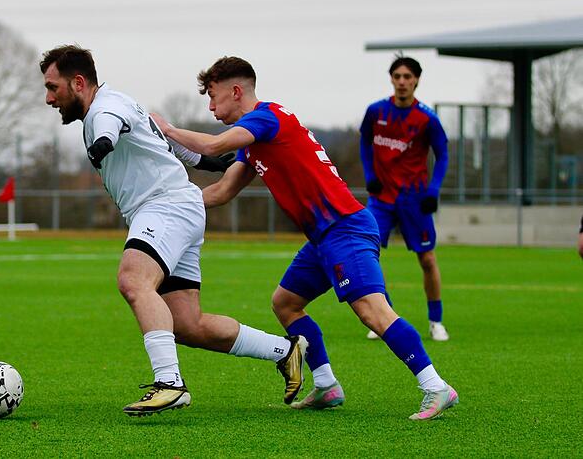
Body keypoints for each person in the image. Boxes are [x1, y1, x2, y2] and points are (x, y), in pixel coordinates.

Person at [151, 56, 458, 420]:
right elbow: (219, 193)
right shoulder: (254, 141)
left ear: (237, 91)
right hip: (324, 237)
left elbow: (214, 147)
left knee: (373, 312)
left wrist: (167, 130)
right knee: (285, 304)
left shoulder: (268, 117)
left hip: (345, 228)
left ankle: (435, 386)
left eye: (214, 97)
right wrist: (165, 206)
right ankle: (327, 385)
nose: (211, 106)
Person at [39, 45, 307, 417]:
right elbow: (159, 140)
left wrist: (103, 144)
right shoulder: (120, 102)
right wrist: (205, 161)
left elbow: (110, 128)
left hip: (164, 207)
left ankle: (170, 384)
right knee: (186, 324)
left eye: (53, 87)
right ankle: (285, 350)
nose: (49, 97)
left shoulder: (105, 109)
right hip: (180, 207)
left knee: (133, 281)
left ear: (79, 82)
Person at [359, 56, 450, 341]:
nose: (401, 82)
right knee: (368, 255)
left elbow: (444, 154)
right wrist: (369, 174)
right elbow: (364, 142)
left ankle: (436, 321)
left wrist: (433, 190)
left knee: (427, 259)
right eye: (397, 76)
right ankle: (383, 318)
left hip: (414, 199)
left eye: (407, 77)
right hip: (382, 199)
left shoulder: (427, 118)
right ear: (391, 79)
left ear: (416, 80)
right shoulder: (376, 111)